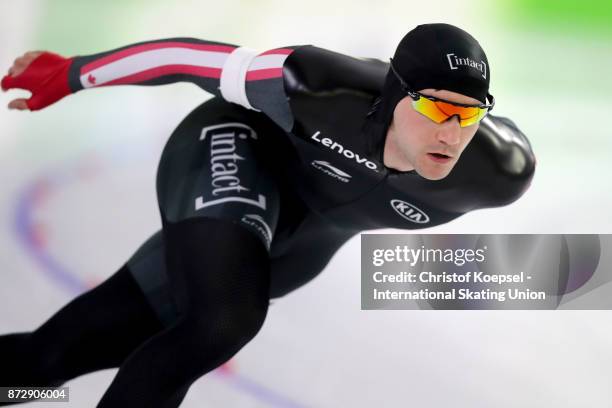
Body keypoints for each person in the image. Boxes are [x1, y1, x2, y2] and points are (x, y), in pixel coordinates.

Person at [0, 23, 535, 407]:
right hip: (239, 151)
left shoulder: (498, 173)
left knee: (53, 359)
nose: (451, 132)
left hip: (304, 240)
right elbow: (185, 57)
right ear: (393, 96)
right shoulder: (317, 88)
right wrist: (72, 75)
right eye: (434, 108)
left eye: (468, 114)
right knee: (223, 320)